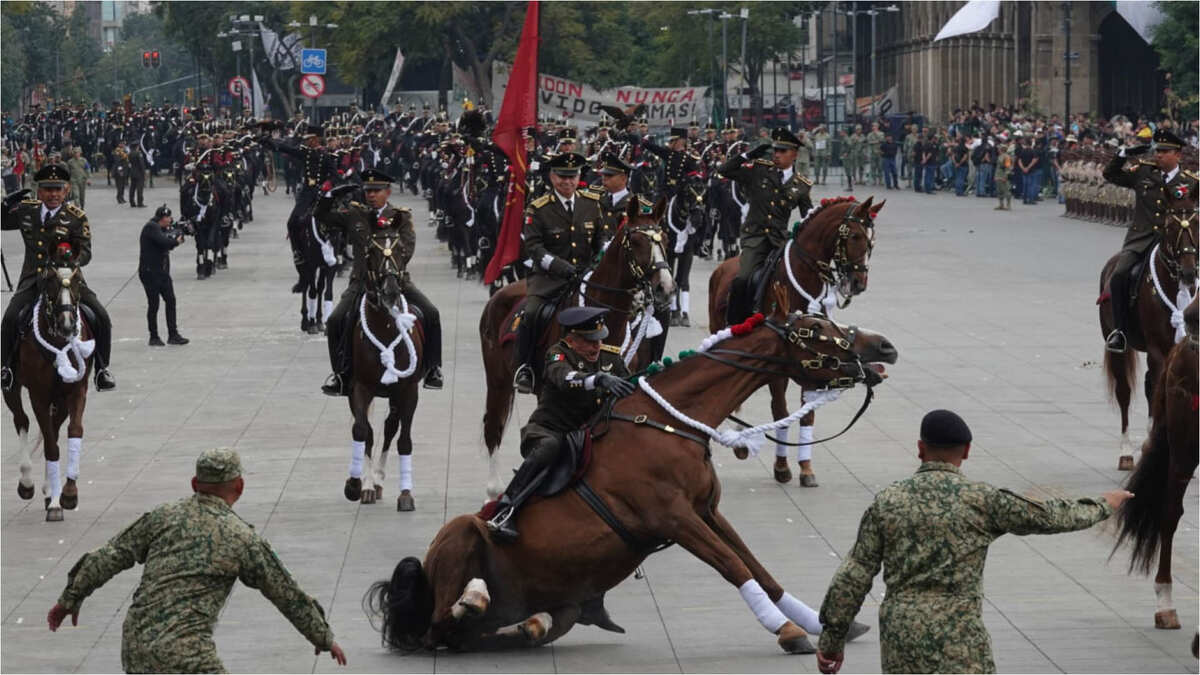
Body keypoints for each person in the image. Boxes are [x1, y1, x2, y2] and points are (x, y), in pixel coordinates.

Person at [815, 410, 1132, 674]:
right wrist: (1103, 504)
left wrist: (832, 641)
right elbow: (1050, 517)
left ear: (920, 448)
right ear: (966, 451)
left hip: (901, 635)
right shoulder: (982, 500)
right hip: (959, 636)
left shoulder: (888, 501)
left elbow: (854, 574)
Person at [47, 448, 348, 673]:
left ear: (194, 483)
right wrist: (323, 637)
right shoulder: (242, 538)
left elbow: (109, 555)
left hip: (136, 646)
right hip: (187, 656)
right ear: (240, 486)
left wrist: (70, 598)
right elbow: (286, 593)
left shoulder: (162, 517)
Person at [488, 307, 634, 540]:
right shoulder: (557, 355)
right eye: (589, 342)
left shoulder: (610, 358)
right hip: (551, 430)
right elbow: (565, 378)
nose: (596, 347)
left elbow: (631, 386)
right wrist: (596, 379)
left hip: (590, 434)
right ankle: (507, 507)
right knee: (549, 448)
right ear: (572, 340)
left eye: (599, 340)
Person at [316, 169, 444, 394]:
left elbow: (407, 250)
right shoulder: (355, 214)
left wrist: (387, 273)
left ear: (388, 192)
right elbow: (322, 216)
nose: (371, 195)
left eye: (376, 191)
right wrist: (330, 196)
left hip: (397, 281)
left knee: (431, 313)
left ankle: (433, 368)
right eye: (368, 191)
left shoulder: (400, 216)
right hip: (361, 282)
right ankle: (341, 374)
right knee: (336, 320)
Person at [1, 164, 116, 392]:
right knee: (10, 318)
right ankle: (6, 368)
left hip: (66, 279)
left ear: (66, 190)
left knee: (101, 316)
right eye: (48, 189)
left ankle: (102, 369)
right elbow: (2, 222)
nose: (53, 194)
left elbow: (86, 252)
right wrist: (6, 203)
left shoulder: (75, 218)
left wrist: (70, 257)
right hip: (33, 279)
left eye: (58, 189)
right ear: (39, 191)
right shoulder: (27, 211)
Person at [1101, 127, 1199, 352]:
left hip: (1178, 242)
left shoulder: (1190, 182)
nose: (1158, 155)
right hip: (1142, 239)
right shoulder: (1143, 172)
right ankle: (1121, 331)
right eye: (1157, 150)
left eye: (1165, 151)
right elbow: (1110, 175)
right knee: (1119, 275)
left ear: (1178, 155)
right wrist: (1123, 154)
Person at [513, 151, 604, 394]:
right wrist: (561, 267)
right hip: (549, 279)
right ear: (553, 177)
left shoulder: (591, 204)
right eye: (563, 177)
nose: (568, 182)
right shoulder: (539, 208)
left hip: (586, 278)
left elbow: (600, 241)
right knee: (531, 313)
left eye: (572, 176)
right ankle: (525, 367)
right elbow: (534, 248)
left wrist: (597, 264)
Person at [719, 127, 814, 324]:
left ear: (794, 155)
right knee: (743, 278)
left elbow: (809, 218)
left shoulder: (801, 185)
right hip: (755, 238)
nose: (776, 155)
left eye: (782, 151)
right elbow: (724, 170)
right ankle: (733, 323)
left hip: (780, 241)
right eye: (775, 150)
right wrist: (748, 155)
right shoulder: (759, 170)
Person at [139, 205, 189, 347]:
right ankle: (154, 336)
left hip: (162, 272)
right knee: (154, 304)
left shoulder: (160, 228)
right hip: (150, 273)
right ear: (162, 218)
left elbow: (167, 242)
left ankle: (173, 334)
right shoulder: (151, 227)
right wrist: (176, 241)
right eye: (168, 217)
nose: (170, 220)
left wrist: (179, 233)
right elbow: (164, 242)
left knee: (171, 300)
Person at [994, 143, 1013, 210]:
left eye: (999, 148)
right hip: (998, 175)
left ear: (1002, 149)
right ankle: (1001, 204)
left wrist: (1006, 176)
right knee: (999, 191)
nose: (998, 149)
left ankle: (1008, 205)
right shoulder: (1000, 156)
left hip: (1003, 175)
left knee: (1006, 190)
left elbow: (1008, 167)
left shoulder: (1006, 157)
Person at [128, 142, 147, 208]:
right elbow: (141, 164)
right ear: (137, 147)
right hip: (139, 173)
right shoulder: (138, 153)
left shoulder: (130, 153)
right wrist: (144, 172)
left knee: (132, 188)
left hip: (132, 172)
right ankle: (140, 203)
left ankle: (132, 202)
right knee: (139, 188)